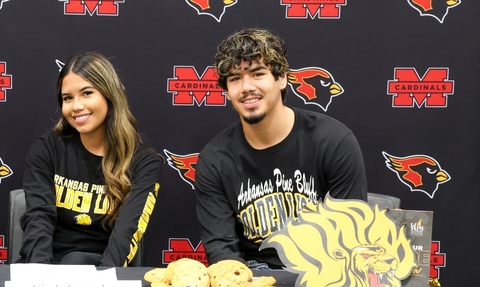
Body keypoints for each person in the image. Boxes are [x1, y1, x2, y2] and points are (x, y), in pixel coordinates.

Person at [195, 28, 367, 269]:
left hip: (325, 275)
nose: (246, 87)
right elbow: (222, 251)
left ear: (282, 78)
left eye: (257, 74)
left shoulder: (333, 141)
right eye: (235, 78)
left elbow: (350, 237)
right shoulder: (215, 159)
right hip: (253, 281)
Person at [19, 51, 162, 266]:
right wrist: (42, 280)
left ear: (109, 95)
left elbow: (126, 235)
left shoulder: (144, 163)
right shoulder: (47, 148)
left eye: (86, 93)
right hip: (46, 267)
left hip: (103, 270)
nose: (76, 106)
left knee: (75, 260)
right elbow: (38, 219)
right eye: (68, 98)